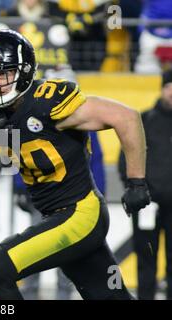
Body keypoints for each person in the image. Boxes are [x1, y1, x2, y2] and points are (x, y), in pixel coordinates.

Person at [0, 29, 150, 300]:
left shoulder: (48, 101)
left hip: (80, 215)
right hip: (55, 216)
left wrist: (136, 182)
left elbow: (127, 117)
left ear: (24, 70)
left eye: (2, 74)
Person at [118, 69, 172, 300]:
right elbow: (126, 159)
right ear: (162, 89)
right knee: (146, 260)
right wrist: (138, 191)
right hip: (148, 204)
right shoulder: (145, 120)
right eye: (170, 87)